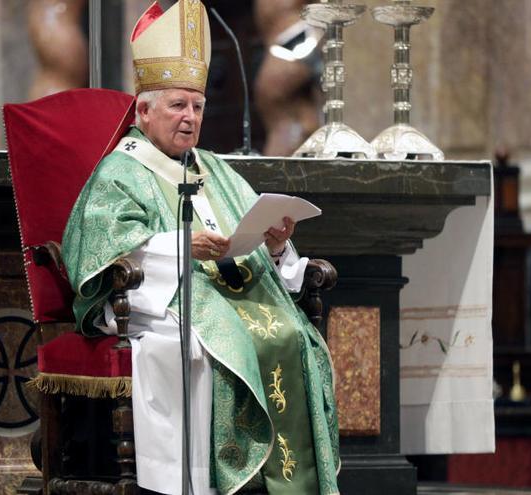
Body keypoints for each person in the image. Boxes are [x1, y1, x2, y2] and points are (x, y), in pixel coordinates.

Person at [62, 1, 339, 493]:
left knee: (293, 337)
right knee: (209, 344)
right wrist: (180, 248)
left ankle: (284, 483)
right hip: (158, 301)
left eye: (197, 106)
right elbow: (103, 254)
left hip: (231, 296)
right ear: (144, 110)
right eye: (177, 106)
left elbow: (250, 237)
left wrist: (276, 245)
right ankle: (204, 481)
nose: (190, 119)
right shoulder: (119, 172)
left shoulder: (214, 168)